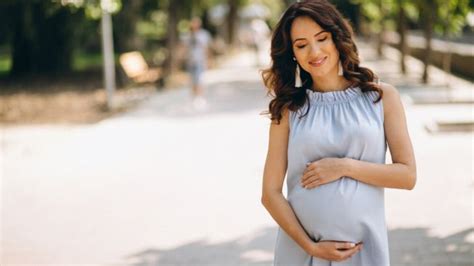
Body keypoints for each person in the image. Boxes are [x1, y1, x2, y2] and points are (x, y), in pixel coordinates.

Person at [260, 1, 416, 265]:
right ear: (292, 54)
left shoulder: (381, 97)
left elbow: (407, 175)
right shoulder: (289, 109)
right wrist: (311, 247)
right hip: (301, 252)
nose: (315, 51)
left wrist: (344, 167)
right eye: (301, 44)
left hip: (362, 248)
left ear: (337, 38)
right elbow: (270, 193)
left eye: (322, 38)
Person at [184, 17, 211, 110]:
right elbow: (185, 48)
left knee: (199, 80)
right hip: (190, 61)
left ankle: (200, 98)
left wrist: (208, 60)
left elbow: (206, 48)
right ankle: (193, 98)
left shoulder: (203, 35)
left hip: (200, 61)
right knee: (192, 81)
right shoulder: (188, 35)